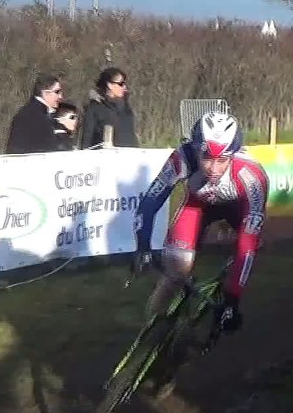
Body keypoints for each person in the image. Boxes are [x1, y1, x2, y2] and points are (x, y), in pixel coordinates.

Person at [132, 112, 269, 355]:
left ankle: (221, 302)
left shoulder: (252, 176)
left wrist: (233, 300)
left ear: (234, 153)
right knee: (176, 272)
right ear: (195, 148)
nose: (213, 168)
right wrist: (142, 246)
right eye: (206, 157)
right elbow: (150, 201)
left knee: (248, 250)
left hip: (238, 210)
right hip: (198, 206)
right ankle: (149, 335)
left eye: (222, 159)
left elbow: (247, 247)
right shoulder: (182, 158)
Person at [6, 73, 65, 154]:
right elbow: (49, 148)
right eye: (57, 92)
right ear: (44, 92)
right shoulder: (36, 116)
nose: (60, 96)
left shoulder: (36, 111)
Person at [80, 67, 138, 148]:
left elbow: (131, 135)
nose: (124, 87)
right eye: (121, 84)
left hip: (130, 155)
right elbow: (87, 139)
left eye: (125, 83)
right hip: (105, 157)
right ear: (109, 85)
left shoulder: (126, 107)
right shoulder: (95, 108)